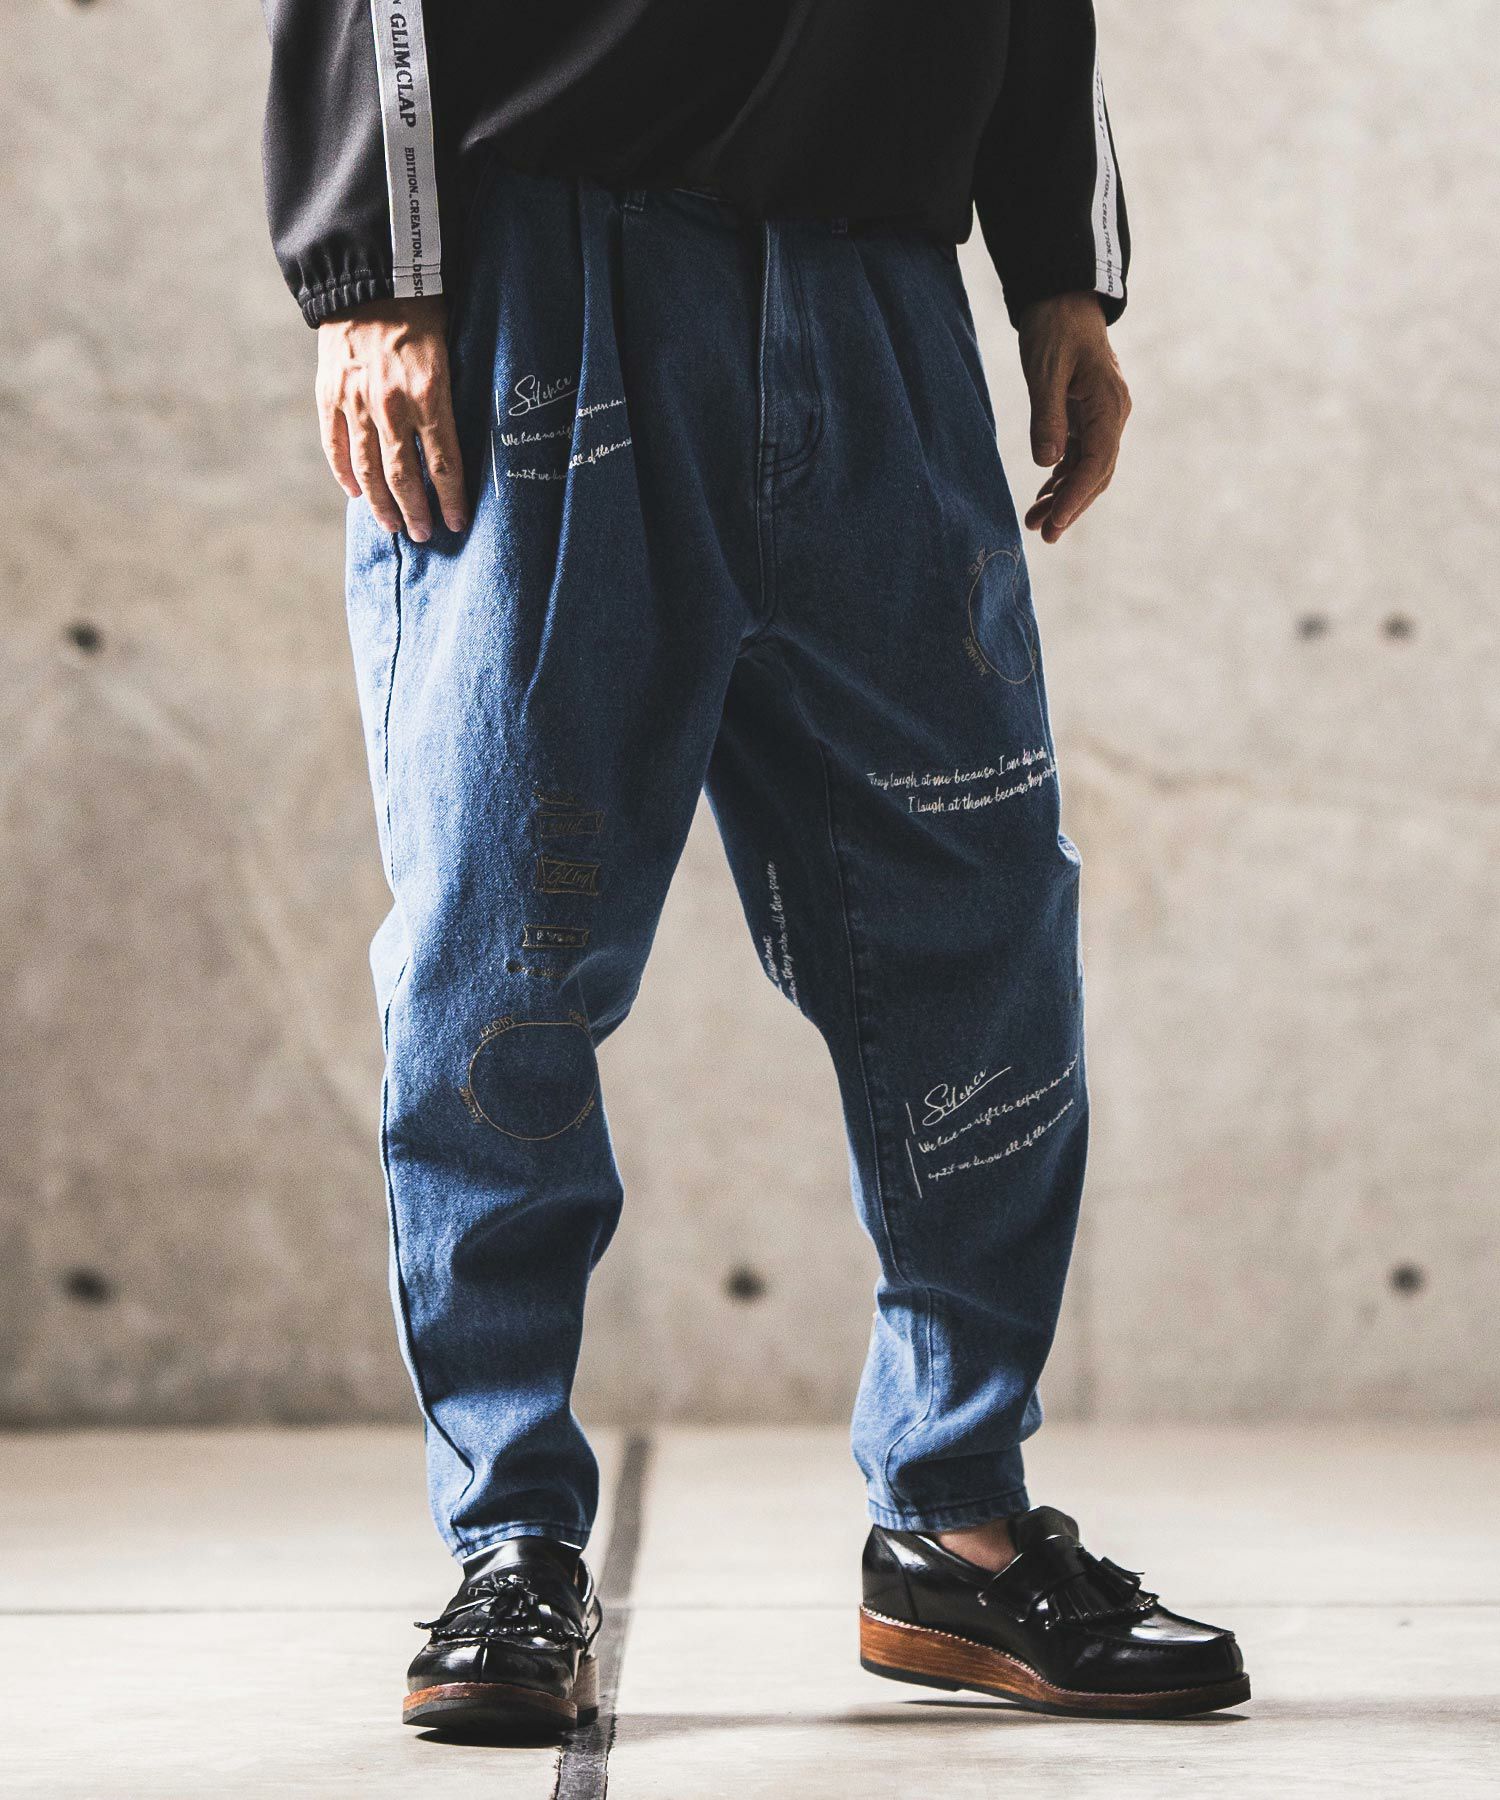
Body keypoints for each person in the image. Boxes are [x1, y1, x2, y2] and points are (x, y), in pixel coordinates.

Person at [259, 0, 1248, 1737]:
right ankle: (511, 1540)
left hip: (881, 293)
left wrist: (1058, 268)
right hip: (553, 281)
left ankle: (957, 1525)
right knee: (503, 950)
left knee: (981, 927)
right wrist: (372, 268)